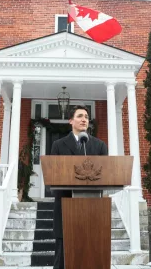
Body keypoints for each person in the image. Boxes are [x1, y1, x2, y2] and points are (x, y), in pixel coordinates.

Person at [50, 105, 108, 269]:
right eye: (80, 116)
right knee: (63, 258)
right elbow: (53, 174)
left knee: (92, 256)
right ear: (70, 121)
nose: (84, 119)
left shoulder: (99, 146)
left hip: (93, 210)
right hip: (65, 207)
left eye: (86, 117)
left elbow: (106, 173)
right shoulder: (59, 145)